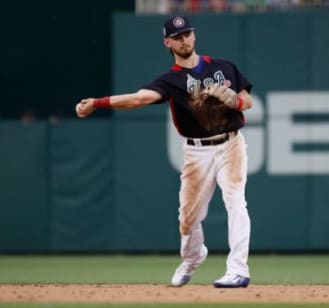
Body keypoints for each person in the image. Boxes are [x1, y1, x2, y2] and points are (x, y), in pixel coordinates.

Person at [75, 15, 253, 288]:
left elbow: (248, 101)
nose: (185, 40)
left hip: (231, 143)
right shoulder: (171, 80)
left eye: (188, 34)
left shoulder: (223, 67)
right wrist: (97, 103)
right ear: (167, 42)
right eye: (178, 37)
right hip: (197, 151)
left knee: (236, 202)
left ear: (194, 35)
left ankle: (238, 269)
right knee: (188, 218)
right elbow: (138, 99)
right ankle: (193, 258)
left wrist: (236, 100)